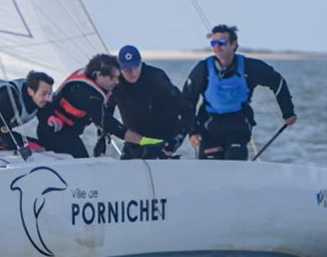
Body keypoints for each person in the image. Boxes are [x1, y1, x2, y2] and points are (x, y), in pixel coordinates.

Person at [182, 24, 297, 160]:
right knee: (209, 173)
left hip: (237, 128)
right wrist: (192, 132)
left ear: (234, 45)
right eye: (214, 43)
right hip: (209, 130)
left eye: (222, 43)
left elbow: (278, 82)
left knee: (233, 168)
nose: (217, 47)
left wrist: (288, 112)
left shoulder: (250, 67)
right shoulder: (203, 69)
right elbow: (187, 101)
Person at [37, 54, 153, 158]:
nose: (116, 81)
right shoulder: (86, 93)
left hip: (69, 132)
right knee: (83, 164)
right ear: (98, 75)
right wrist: (144, 141)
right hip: (55, 132)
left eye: (118, 77)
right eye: (112, 78)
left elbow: (107, 108)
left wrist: (101, 138)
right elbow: (108, 123)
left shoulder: (101, 82)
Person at [112, 45, 194, 159]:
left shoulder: (156, 79)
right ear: (120, 68)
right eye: (127, 69)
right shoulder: (115, 82)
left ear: (141, 63)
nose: (133, 73)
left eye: (136, 67)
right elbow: (105, 110)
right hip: (134, 140)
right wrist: (102, 134)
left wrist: (175, 141)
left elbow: (187, 110)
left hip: (160, 140)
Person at [0, 71, 54, 151]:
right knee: (34, 149)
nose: (48, 98)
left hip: (5, 131)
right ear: (30, 91)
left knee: (44, 147)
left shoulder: (41, 98)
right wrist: (23, 145)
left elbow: (45, 123)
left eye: (49, 94)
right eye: (44, 94)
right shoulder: (8, 98)